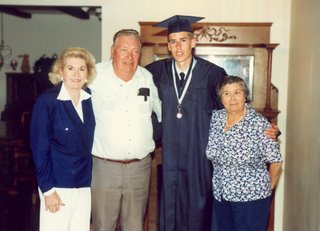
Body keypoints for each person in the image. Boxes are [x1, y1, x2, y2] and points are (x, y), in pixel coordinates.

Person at [145, 15, 280, 231]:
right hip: (168, 155)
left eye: (183, 40)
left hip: (200, 157)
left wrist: (266, 128)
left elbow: (233, 106)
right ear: (168, 45)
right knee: (169, 208)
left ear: (193, 42)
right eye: (173, 41)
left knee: (201, 211)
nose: (178, 47)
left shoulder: (213, 74)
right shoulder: (154, 72)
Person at [90, 29, 162, 231]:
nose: (130, 56)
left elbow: (163, 112)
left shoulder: (146, 77)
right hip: (105, 169)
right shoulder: (94, 76)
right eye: (124, 49)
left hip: (140, 168)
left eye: (135, 51)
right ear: (112, 51)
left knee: (135, 226)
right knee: (103, 225)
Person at [30, 47, 96, 231]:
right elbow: (39, 150)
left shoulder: (89, 100)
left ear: (88, 73)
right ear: (60, 71)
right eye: (70, 68)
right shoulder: (47, 101)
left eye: (82, 69)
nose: (76, 74)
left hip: (83, 186)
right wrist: (48, 190)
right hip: (57, 186)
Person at [205, 75, 283, 231]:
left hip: (251, 200)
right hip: (221, 196)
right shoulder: (216, 118)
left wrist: (268, 190)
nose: (232, 98)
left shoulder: (259, 124)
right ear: (221, 98)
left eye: (237, 92)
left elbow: (276, 160)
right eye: (226, 93)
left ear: (245, 96)